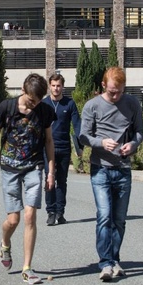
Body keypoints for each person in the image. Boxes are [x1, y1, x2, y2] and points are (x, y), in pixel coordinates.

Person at [0, 73, 56, 285]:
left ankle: (27, 268)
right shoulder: (7, 107)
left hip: (34, 167)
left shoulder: (45, 111)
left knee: (30, 216)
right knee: (14, 220)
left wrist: (51, 171)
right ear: (23, 90)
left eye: (38, 101)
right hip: (9, 168)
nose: (34, 105)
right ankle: (5, 243)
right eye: (32, 100)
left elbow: (49, 141)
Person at [79, 67, 143, 282]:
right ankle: (105, 263)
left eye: (120, 91)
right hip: (101, 168)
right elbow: (83, 136)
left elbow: (139, 132)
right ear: (103, 86)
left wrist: (132, 145)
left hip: (123, 168)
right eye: (112, 91)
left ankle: (115, 259)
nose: (116, 96)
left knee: (120, 219)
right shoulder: (92, 106)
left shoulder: (132, 104)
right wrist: (101, 143)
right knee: (104, 216)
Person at [42, 73, 82, 226]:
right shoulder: (44, 104)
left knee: (62, 181)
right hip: (48, 148)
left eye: (58, 85)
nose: (56, 88)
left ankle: (60, 212)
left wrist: (80, 147)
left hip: (64, 148)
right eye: (53, 85)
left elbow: (77, 125)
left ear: (62, 86)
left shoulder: (69, 104)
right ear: (49, 86)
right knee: (49, 179)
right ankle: (50, 212)